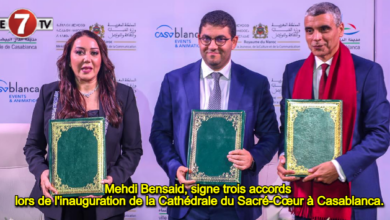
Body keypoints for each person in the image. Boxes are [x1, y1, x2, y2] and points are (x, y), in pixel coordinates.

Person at [150, 10, 279, 220]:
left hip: (236, 202)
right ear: (198, 39)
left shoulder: (255, 84)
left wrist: (253, 158)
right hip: (188, 201)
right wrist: (174, 167)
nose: (212, 46)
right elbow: (159, 134)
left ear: (234, 41)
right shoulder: (174, 81)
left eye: (221, 39)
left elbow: (271, 135)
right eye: (206, 38)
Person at [277, 2, 390, 220]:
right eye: (309, 31)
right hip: (306, 195)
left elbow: (380, 135)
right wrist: (284, 157)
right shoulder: (293, 72)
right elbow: (288, 129)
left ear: (340, 29)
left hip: (354, 193)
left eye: (324, 29)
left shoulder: (368, 72)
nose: (316, 37)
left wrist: (339, 167)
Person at [23, 30, 142, 220]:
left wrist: (113, 180)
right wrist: (43, 173)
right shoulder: (49, 94)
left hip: (107, 203)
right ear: (68, 58)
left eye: (94, 53)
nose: (87, 58)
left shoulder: (122, 95)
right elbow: (33, 147)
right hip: (59, 202)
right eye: (79, 52)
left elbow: (133, 150)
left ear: (102, 59)